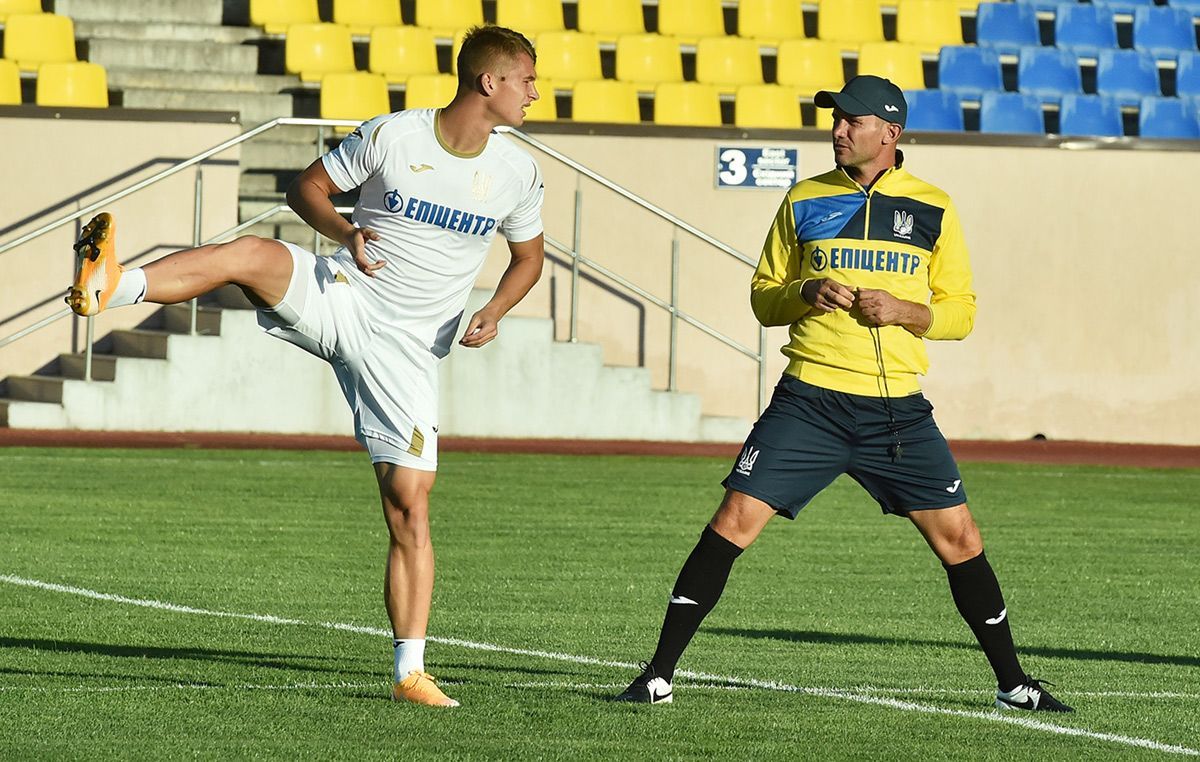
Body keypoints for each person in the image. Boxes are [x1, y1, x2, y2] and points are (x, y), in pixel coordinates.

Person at [66, 25, 546, 708]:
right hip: (345, 296)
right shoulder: (394, 136)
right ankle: (112, 287)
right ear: (488, 81)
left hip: (409, 352)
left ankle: (410, 673)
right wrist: (348, 231)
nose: (535, 93)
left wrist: (495, 308)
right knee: (251, 255)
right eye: (527, 80)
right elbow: (307, 189)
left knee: (409, 505)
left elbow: (529, 258)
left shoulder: (518, 173)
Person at [615, 76, 1071, 713]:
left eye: (852, 121)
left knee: (962, 540)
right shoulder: (803, 198)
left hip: (897, 413)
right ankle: (657, 676)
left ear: (890, 132)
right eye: (835, 119)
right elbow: (763, 299)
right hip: (809, 403)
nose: (837, 130)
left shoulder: (934, 206)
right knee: (731, 522)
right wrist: (804, 291)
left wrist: (906, 311)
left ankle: (1013, 685)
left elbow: (961, 312)